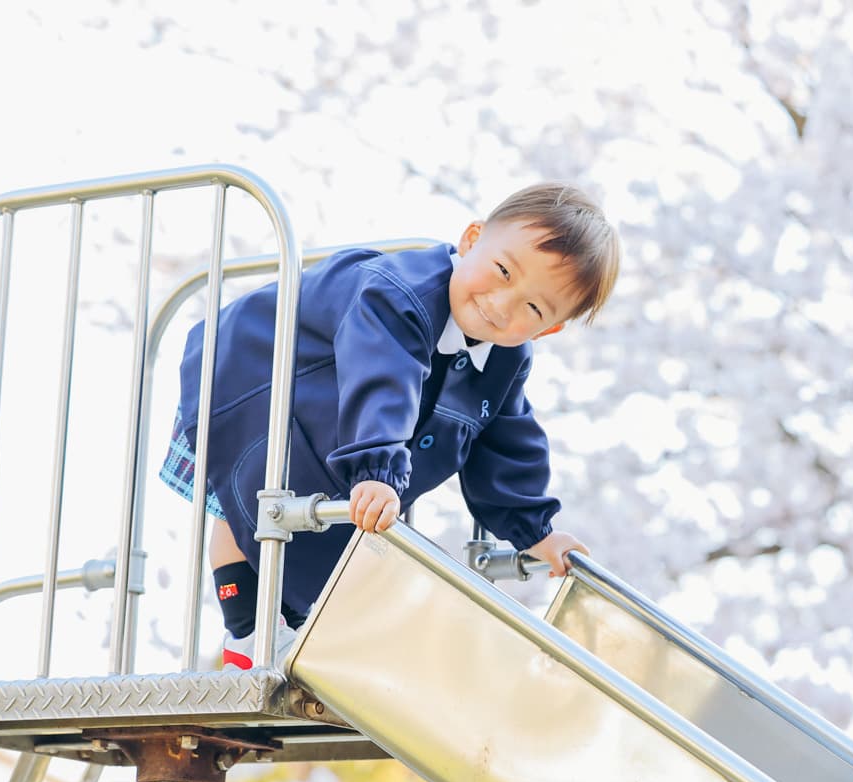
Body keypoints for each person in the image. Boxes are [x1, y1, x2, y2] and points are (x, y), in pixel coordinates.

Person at [159, 182, 621, 669]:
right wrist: (377, 467)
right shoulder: (400, 294)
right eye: (503, 271)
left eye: (533, 307)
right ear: (470, 240)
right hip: (250, 374)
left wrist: (536, 532)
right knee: (248, 497)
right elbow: (383, 375)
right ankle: (248, 632)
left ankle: (282, 628)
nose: (503, 303)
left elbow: (507, 442)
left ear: (548, 328)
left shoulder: (506, 360)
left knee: (320, 531)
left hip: (328, 419)